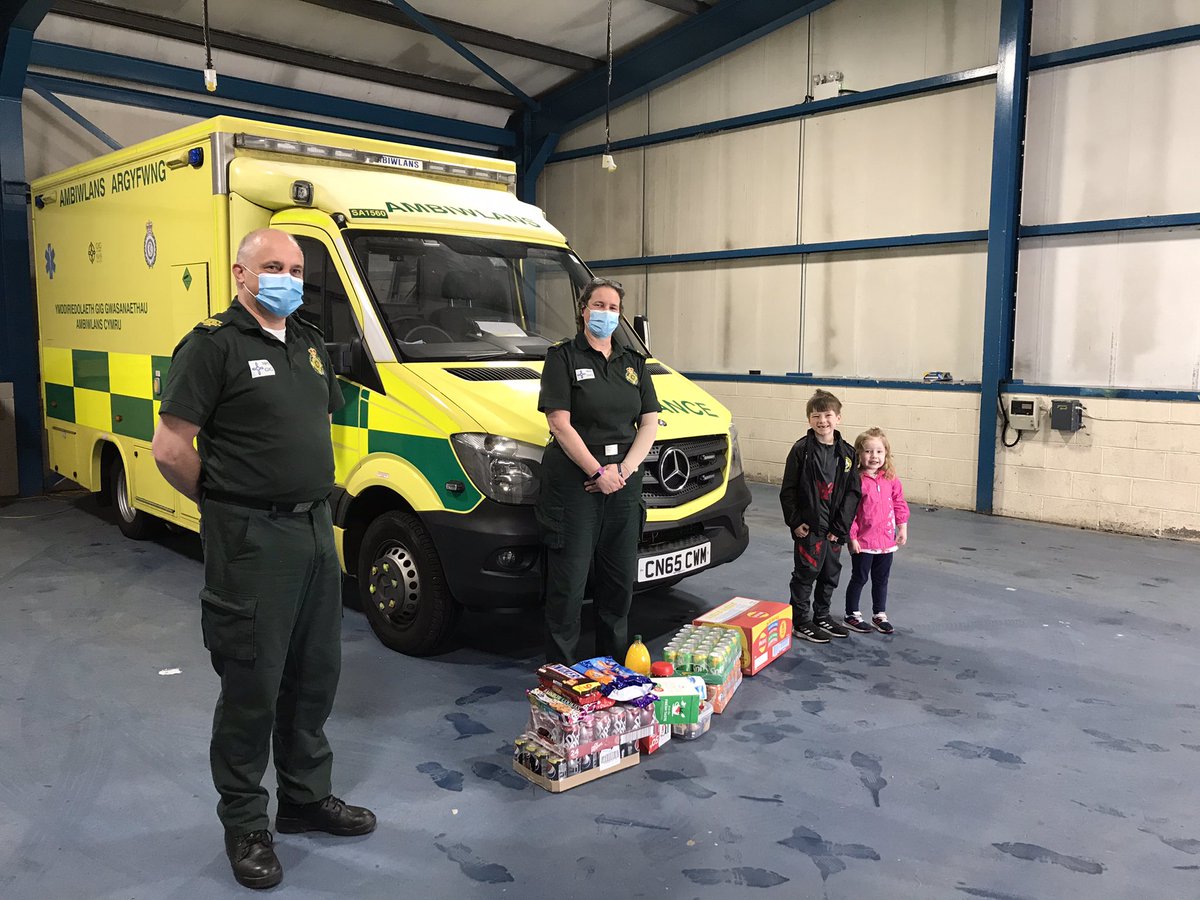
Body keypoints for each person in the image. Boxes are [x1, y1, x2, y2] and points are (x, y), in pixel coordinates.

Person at [152, 228, 374, 890]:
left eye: (296, 268)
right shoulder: (213, 346)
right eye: (272, 266)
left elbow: (317, 423)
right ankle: (247, 824)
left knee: (315, 675)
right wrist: (227, 503)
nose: (287, 276)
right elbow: (170, 447)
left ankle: (305, 800)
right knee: (252, 685)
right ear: (240, 274)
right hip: (252, 541)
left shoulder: (306, 342)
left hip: (312, 529)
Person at [536, 276, 660, 664]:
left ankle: (613, 669)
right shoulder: (563, 357)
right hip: (576, 488)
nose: (606, 314)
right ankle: (563, 675)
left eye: (613, 308)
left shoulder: (634, 363)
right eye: (599, 306)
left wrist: (623, 470)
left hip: (623, 486)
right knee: (568, 587)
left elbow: (650, 422)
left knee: (619, 584)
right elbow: (559, 422)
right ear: (583, 310)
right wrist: (597, 472)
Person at [779, 389, 862, 643]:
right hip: (810, 529)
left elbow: (852, 494)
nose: (822, 421)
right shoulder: (801, 451)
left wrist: (841, 527)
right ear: (809, 420)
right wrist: (795, 521)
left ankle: (822, 615)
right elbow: (788, 489)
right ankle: (801, 620)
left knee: (830, 574)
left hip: (834, 532)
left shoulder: (848, 454)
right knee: (806, 573)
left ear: (838, 418)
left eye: (828, 415)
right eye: (816, 416)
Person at [843, 428, 909, 635]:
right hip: (864, 542)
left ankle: (879, 614)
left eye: (879, 452)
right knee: (860, 578)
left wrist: (902, 527)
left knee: (881, 579)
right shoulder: (856, 480)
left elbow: (899, 503)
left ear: (886, 454)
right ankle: (851, 614)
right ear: (859, 454)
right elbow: (850, 512)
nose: (874, 457)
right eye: (868, 451)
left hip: (887, 542)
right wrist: (852, 537)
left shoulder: (890, 479)